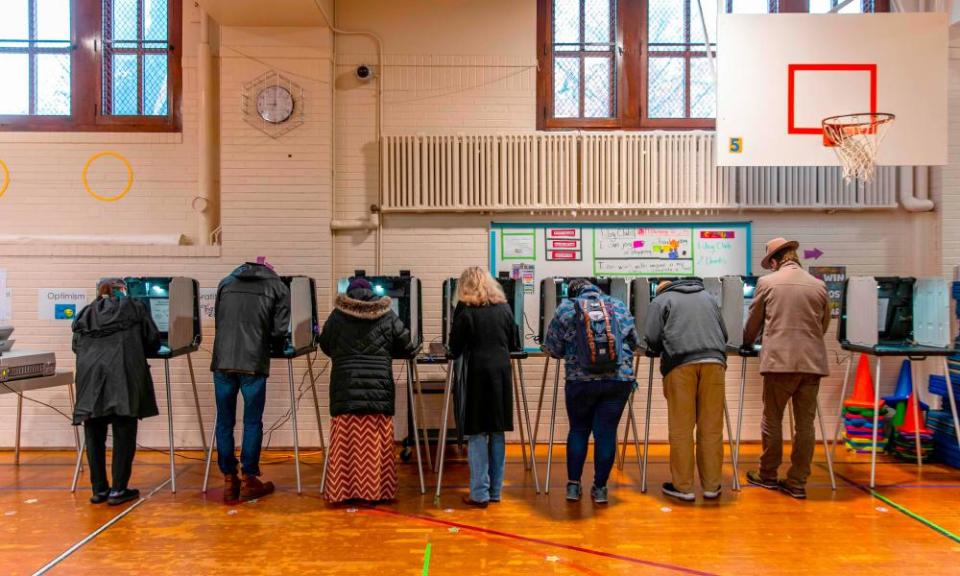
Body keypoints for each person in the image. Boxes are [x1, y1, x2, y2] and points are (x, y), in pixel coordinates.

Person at [744, 237, 831, 500]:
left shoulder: (767, 283)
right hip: (811, 363)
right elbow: (823, 325)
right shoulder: (818, 285)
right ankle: (797, 481)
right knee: (805, 424)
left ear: (774, 260)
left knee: (772, 419)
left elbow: (753, 322)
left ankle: (768, 475)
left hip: (779, 363)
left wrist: (747, 341)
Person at [319, 277, 417, 504]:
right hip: (378, 389)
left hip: (345, 387)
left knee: (346, 442)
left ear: (349, 294)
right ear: (371, 292)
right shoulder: (386, 314)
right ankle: (375, 492)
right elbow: (407, 347)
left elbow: (325, 344)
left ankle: (342, 492)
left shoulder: (337, 315)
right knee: (375, 443)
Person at [544, 279, 638, 504]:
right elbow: (633, 341)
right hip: (617, 381)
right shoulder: (618, 305)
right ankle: (600, 489)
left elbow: (554, 348)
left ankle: (574, 487)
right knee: (606, 433)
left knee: (578, 430)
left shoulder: (566, 308)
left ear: (572, 292)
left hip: (581, 380)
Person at [72, 278, 161, 506]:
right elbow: (152, 341)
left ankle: (99, 489)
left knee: (94, 434)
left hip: (90, 379)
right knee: (124, 432)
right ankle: (118, 490)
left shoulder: (85, 313)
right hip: (123, 376)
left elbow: (76, 346)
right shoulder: (135, 307)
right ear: (124, 290)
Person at [211, 260, 290, 504]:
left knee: (224, 422)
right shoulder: (277, 287)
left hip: (223, 361)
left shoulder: (225, 283)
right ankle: (248, 479)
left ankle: (228, 479)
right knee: (252, 422)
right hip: (253, 363)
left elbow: (219, 322)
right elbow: (279, 331)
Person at [645, 278, 728, 502]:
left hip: (681, 364)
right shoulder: (708, 297)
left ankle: (684, 487)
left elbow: (651, 338)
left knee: (681, 428)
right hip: (714, 362)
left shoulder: (661, 299)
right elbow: (725, 334)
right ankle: (712, 486)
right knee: (711, 427)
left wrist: (659, 347)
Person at [448, 267, 520, 508]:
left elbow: (454, 348)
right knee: (496, 432)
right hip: (501, 373)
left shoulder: (466, 311)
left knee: (477, 433)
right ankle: (495, 491)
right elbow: (514, 343)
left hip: (477, 374)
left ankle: (479, 494)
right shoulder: (504, 308)